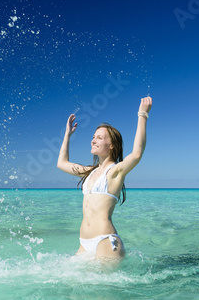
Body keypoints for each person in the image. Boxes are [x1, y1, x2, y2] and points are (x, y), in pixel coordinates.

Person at [57, 96, 152, 263]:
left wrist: (142, 114)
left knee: (104, 288)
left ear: (112, 145)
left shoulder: (115, 171)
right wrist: (67, 135)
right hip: (84, 244)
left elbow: (136, 154)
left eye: (99, 138)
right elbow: (61, 163)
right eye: (94, 137)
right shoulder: (89, 172)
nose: (93, 140)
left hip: (106, 242)